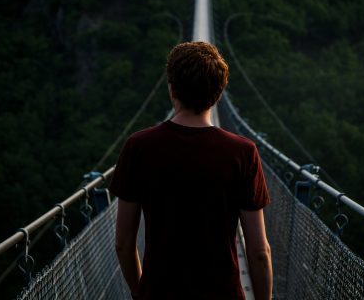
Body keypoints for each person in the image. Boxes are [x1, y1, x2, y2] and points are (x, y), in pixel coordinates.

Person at [110, 41, 272, 300]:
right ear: (219, 94)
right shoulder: (243, 152)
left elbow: (123, 243)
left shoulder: (138, 147)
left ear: (171, 88)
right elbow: (258, 250)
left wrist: (141, 291)